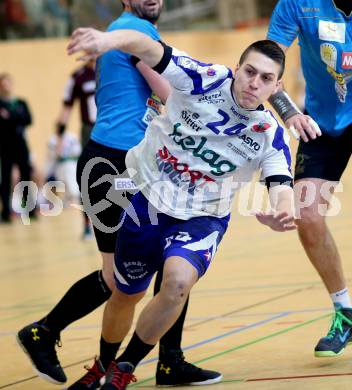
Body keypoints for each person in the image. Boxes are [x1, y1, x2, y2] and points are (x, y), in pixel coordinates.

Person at [66, 25, 296, 389]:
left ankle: (124, 369)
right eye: (250, 71)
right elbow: (149, 46)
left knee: (175, 285)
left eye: (266, 78)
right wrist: (107, 41)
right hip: (147, 203)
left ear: (276, 88)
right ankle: (101, 365)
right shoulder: (203, 80)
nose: (254, 82)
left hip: (203, 218)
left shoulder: (268, 133)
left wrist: (282, 210)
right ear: (237, 68)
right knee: (126, 294)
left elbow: (281, 183)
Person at [16, 1, 222, 387]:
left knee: (170, 257)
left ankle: (168, 360)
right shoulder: (137, 32)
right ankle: (44, 331)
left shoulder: (123, 29)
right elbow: (173, 91)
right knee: (126, 276)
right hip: (118, 167)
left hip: (116, 163)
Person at [267, 0, 352, 358]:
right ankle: (345, 313)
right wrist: (288, 113)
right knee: (307, 215)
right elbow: (267, 68)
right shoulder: (297, 4)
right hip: (320, 121)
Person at [56, 58, 96, 238]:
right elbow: (67, 106)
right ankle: (87, 224)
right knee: (87, 176)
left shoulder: (112, 68)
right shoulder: (78, 76)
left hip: (113, 127)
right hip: (89, 130)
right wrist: (59, 136)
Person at [0, 72, 34, 223]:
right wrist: (15, 119)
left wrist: (10, 117)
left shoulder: (20, 102)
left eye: (8, 82)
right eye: (3, 83)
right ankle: (6, 212)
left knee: (26, 176)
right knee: (6, 178)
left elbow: (28, 119)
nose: (6, 86)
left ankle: (29, 209)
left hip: (20, 144)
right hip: (5, 146)